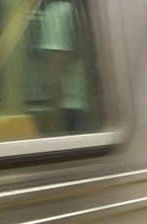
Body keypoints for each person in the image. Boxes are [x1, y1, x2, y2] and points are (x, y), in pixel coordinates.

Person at [39, 0, 93, 133]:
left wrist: (53, 116)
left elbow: (56, 66)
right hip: (83, 104)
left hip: (67, 107)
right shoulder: (79, 9)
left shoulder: (56, 11)